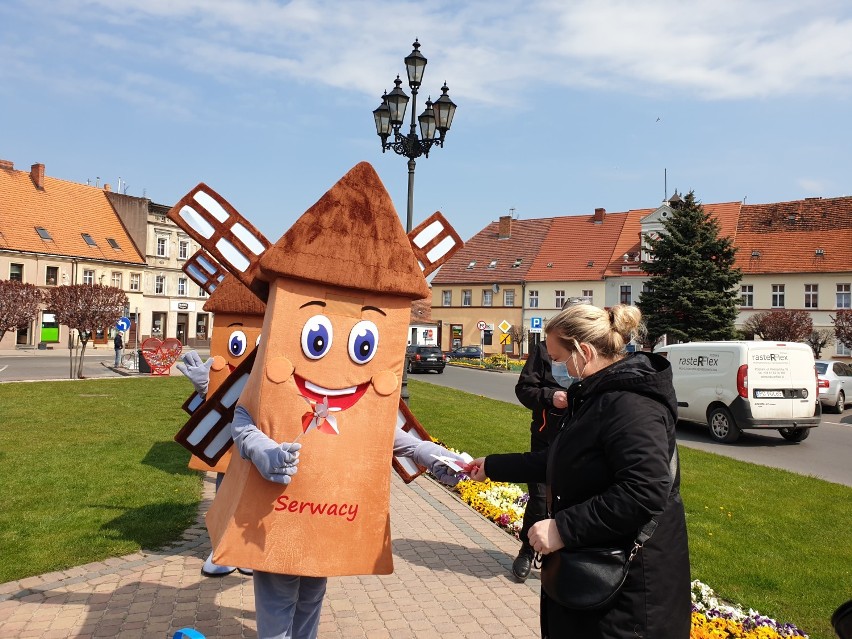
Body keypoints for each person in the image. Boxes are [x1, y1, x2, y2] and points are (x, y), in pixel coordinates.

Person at [468, 303, 690, 639]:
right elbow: (564, 459)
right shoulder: (597, 395)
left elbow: (644, 489)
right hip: (598, 576)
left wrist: (563, 530)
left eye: (558, 360)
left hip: (629, 593)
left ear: (583, 351)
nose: (558, 368)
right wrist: (493, 466)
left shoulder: (630, 404)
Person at [229, 403, 466, 639]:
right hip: (277, 519)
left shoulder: (353, 399)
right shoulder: (273, 377)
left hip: (325, 518)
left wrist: (439, 457)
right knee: (277, 599)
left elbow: (390, 434)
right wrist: (257, 445)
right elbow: (244, 413)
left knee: (312, 594)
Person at [511, 340, 569, 581]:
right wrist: (550, 395)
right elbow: (524, 388)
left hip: (579, 439)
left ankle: (567, 560)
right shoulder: (544, 349)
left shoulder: (591, 350)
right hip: (546, 437)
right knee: (538, 497)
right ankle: (527, 549)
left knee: (573, 498)